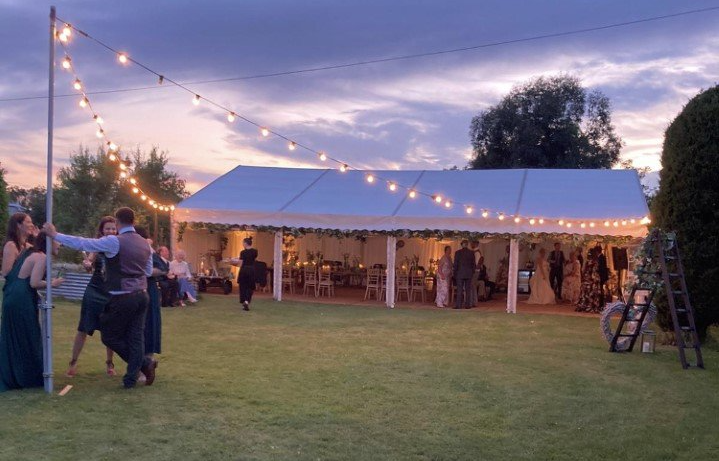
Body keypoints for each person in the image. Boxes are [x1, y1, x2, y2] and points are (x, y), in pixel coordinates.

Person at [44, 207, 157, 389]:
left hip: (122, 296)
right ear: (133, 222)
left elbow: (83, 243)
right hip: (143, 295)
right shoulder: (146, 244)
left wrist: (55, 235)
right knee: (135, 336)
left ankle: (144, 364)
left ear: (118, 223)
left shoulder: (114, 242)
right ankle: (131, 378)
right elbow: (149, 271)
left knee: (109, 336)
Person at [1, 231, 63, 392]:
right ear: (49, 243)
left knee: (20, 337)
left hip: (14, 297)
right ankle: (25, 377)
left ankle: (20, 375)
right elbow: (34, 282)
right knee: (27, 336)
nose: (60, 244)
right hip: (21, 299)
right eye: (57, 241)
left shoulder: (33, 253)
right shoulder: (42, 257)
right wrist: (53, 283)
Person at [66, 216, 117, 378]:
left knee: (110, 330)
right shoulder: (97, 245)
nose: (110, 231)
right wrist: (87, 264)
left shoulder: (118, 245)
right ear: (102, 230)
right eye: (107, 228)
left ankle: (109, 363)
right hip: (94, 290)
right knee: (83, 328)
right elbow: (89, 262)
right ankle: (73, 362)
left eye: (113, 228)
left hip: (110, 292)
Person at [135, 226, 162, 365]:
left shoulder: (149, 250)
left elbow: (163, 268)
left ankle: (148, 360)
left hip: (149, 290)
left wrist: (147, 272)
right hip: (132, 291)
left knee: (149, 324)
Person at [1, 213, 35, 283]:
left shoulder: (28, 246)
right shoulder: (11, 246)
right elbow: (6, 273)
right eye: (28, 222)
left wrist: (37, 238)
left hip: (28, 288)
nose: (32, 225)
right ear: (19, 225)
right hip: (15, 288)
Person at [230, 237, 257, 311]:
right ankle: (247, 301)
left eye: (243, 243)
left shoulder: (243, 252)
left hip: (244, 270)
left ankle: (243, 301)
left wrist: (232, 263)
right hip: (251, 270)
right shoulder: (255, 251)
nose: (242, 244)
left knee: (243, 287)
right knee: (250, 287)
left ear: (245, 243)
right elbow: (250, 258)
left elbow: (240, 263)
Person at [576, 247, 604, 313]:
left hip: (588, 279)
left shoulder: (588, 262)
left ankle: (585, 305)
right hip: (592, 279)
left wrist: (584, 278)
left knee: (586, 292)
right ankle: (591, 305)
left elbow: (585, 271)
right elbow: (594, 272)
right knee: (592, 292)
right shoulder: (595, 262)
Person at [453, 240, 476, 309]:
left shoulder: (458, 253)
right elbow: (473, 264)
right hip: (468, 273)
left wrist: (455, 273)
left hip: (460, 273)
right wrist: (472, 272)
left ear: (461, 244)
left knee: (460, 290)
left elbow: (456, 264)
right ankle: (467, 305)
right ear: (467, 244)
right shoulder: (471, 253)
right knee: (468, 290)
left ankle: (458, 305)